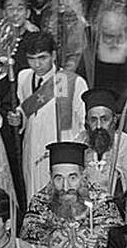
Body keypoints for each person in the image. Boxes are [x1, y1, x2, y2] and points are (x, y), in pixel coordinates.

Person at [10, 30, 86, 199]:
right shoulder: (23, 77)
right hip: (32, 148)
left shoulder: (73, 82)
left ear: (53, 55)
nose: (36, 65)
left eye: (42, 58)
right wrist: (18, 118)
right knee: (34, 195)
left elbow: (83, 123)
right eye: (31, 59)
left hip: (61, 151)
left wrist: (72, 155)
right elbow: (26, 111)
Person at [79, 86, 127, 197]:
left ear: (114, 120)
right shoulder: (79, 145)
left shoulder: (125, 146)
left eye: (104, 119)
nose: (99, 126)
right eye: (93, 120)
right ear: (87, 122)